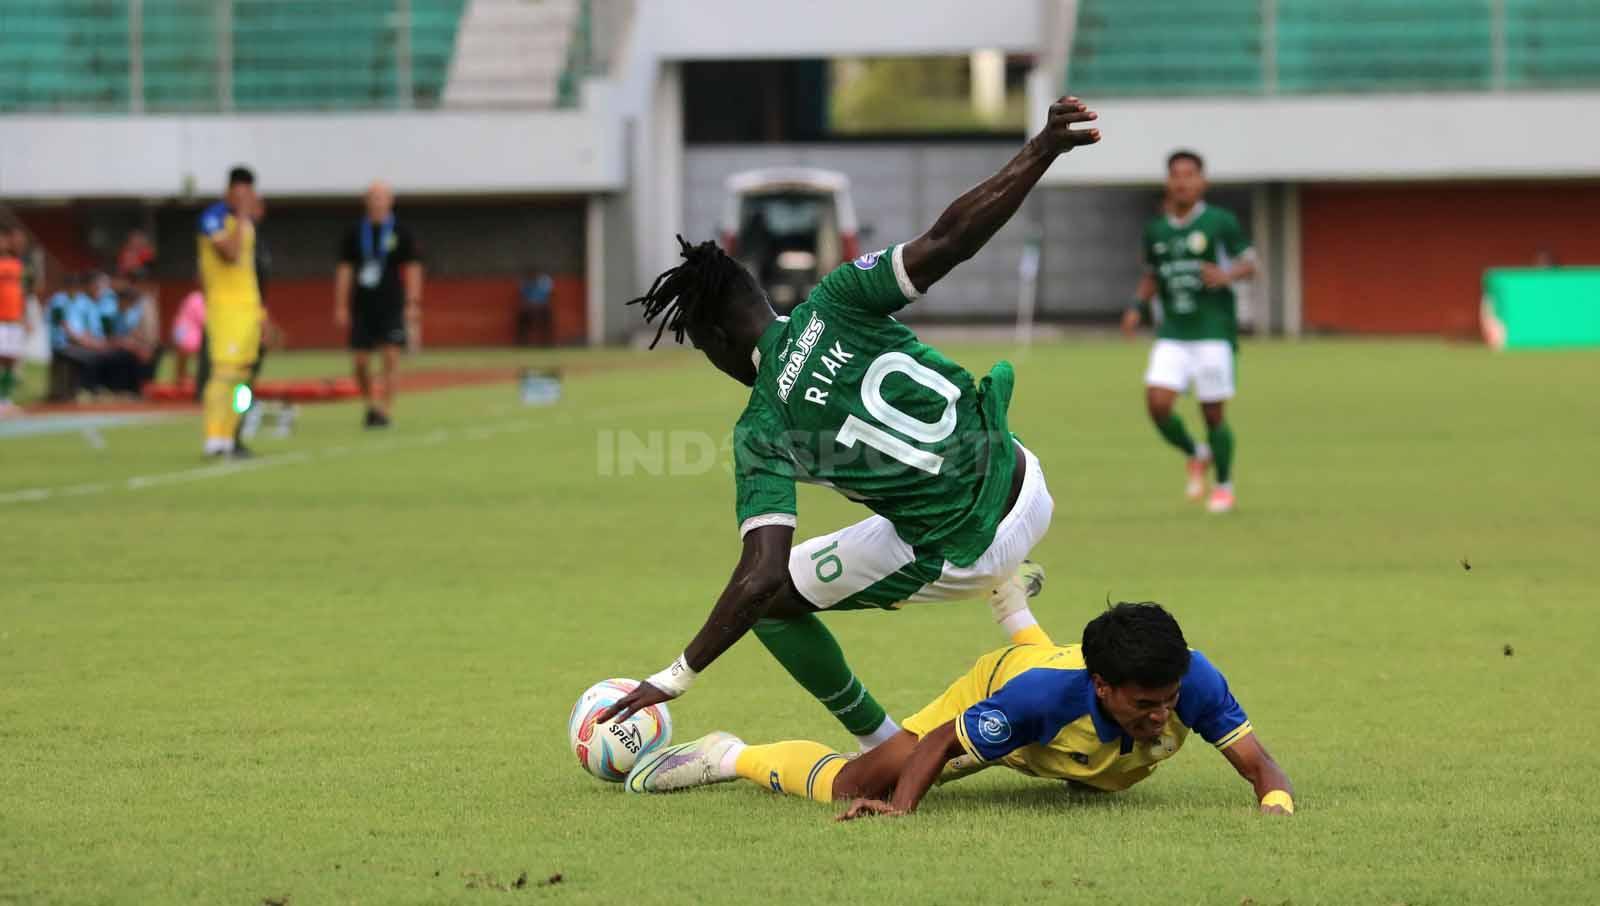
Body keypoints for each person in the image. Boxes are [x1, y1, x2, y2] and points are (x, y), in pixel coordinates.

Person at [597, 97, 1102, 751]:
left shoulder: (761, 428)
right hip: (1028, 480)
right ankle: (1008, 586)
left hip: (969, 546)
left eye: (702, 346)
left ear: (719, 336)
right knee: (922, 472)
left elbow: (762, 576)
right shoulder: (838, 296)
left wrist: (678, 673)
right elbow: (951, 239)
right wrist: (1041, 148)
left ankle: (883, 743)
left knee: (774, 607)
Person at [626, 602, 1296, 821]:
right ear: (1103, 688)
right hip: (1002, 687)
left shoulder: (1191, 679)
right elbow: (945, 739)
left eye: (1170, 701)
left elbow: (1262, 768)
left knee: (1059, 673)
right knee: (857, 781)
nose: (1163, 715)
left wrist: (1275, 814)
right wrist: (901, 809)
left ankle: (1015, 604)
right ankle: (729, 754)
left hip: (1064, 684)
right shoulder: (1040, 701)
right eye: (1147, 706)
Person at [1121, 150, 1256, 514]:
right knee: (1157, 404)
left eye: (1190, 175)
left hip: (1213, 332)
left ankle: (1224, 485)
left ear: (1202, 182)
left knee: (1213, 414)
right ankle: (1197, 454)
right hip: (1173, 333)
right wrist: (1137, 306)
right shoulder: (1157, 230)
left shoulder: (1220, 222)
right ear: (1168, 182)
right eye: (1176, 175)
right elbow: (1153, 274)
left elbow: (1250, 263)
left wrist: (1226, 275)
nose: (1182, 182)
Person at [334, 181, 423, 428]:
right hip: (362, 305)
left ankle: (385, 410)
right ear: (365, 200)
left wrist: (413, 302)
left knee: (391, 357)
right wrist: (340, 305)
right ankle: (370, 404)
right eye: (373, 197)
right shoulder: (354, 232)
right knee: (360, 362)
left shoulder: (402, 231)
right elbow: (345, 270)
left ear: (390, 200)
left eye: (381, 197)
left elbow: (414, 268)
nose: (377, 202)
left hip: (392, 304)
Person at [196, 165, 265, 457]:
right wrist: (242, 217)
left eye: (248, 194)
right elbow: (230, 254)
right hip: (225, 309)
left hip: (249, 308)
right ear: (228, 192)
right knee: (223, 373)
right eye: (239, 194)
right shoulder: (213, 219)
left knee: (245, 376)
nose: (244, 199)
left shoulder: (246, 223)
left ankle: (232, 433)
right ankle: (215, 437)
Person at [0, 227, 25, 414]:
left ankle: (5, 400)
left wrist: (23, 317)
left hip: (13, 320)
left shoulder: (17, 265)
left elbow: (20, 294)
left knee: (11, 360)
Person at [171, 290, 206, 384]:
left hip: (182, 331)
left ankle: (181, 379)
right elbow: (202, 319)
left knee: (182, 360)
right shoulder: (198, 298)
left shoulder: (193, 296)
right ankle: (190, 380)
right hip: (190, 333)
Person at [517, 270, 554, 346]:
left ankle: (546, 343)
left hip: (542, 308)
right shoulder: (526, 284)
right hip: (529, 309)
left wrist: (538, 306)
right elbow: (523, 299)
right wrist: (530, 306)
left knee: (547, 315)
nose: (533, 277)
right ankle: (523, 343)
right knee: (522, 317)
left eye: (534, 275)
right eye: (531, 275)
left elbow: (548, 298)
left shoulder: (544, 283)